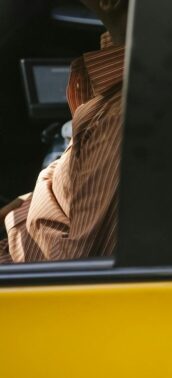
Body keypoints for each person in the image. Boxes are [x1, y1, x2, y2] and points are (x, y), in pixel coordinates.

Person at [0, 0, 129, 263]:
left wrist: (17, 220)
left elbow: (63, 267)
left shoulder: (118, 119)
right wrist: (25, 209)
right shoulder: (121, 97)